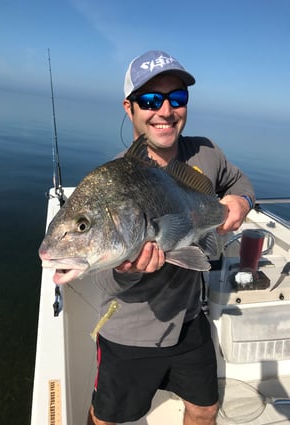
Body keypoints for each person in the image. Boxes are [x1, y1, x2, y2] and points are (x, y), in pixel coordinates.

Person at [88, 50, 255, 425]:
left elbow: (240, 182)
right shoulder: (114, 182)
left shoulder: (207, 153)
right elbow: (101, 275)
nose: (165, 110)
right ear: (129, 108)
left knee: (205, 409)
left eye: (176, 98)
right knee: (107, 418)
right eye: (150, 100)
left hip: (191, 322)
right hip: (128, 332)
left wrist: (240, 203)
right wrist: (130, 269)